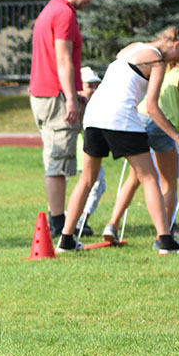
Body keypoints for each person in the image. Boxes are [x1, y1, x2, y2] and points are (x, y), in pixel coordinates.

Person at [58, 26, 179, 254]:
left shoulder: (131, 48)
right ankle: (166, 241)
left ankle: (66, 240)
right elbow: (151, 106)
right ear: (176, 45)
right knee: (149, 177)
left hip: (93, 114)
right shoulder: (157, 62)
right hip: (120, 117)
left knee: (87, 179)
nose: (177, 60)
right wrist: (177, 137)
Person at [101, 24, 179, 242]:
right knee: (168, 182)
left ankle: (112, 224)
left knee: (135, 178)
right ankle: (166, 230)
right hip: (162, 126)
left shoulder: (154, 67)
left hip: (138, 121)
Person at [29, 0, 105, 237]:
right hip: (55, 97)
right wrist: (72, 98)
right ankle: (60, 223)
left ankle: (60, 219)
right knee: (58, 163)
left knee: (56, 159)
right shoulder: (64, 13)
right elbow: (63, 59)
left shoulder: (51, 8)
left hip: (44, 94)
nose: (90, 2)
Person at [74, 67, 106, 236]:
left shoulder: (95, 105)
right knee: (95, 185)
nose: (93, 91)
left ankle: (80, 219)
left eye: (96, 86)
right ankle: (79, 221)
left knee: (98, 186)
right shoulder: (77, 107)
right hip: (82, 155)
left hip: (91, 154)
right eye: (89, 86)